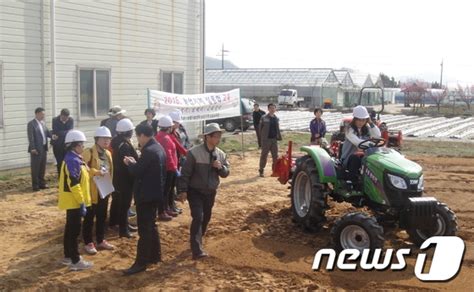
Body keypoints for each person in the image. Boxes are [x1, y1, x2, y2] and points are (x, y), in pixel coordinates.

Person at [177, 123, 230, 260]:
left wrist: (220, 168)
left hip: (210, 192)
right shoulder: (194, 153)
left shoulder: (221, 154)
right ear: (207, 137)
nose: (218, 139)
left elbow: (226, 173)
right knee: (198, 217)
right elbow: (185, 173)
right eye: (216, 136)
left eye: (219, 136)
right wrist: (182, 190)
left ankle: (198, 239)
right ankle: (197, 249)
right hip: (195, 191)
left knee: (206, 217)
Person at [122, 124, 167, 275]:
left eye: (138, 137)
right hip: (155, 194)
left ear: (142, 135)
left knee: (144, 230)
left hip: (145, 196)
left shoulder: (148, 151)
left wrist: (130, 164)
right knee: (152, 226)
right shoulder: (159, 148)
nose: (138, 140)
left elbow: (137, 171)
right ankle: (155, 255)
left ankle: (141, 262)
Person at [58, 130, 93, 271]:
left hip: (73, 201)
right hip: (75, 202)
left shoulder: (74, 158)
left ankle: (68, 256)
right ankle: (75, 260)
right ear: (74, 145)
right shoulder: (72, 161)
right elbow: (74, 184)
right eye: (81, 144)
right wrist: (81, 202)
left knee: (70, 230)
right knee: (74, 231)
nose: (83, 147)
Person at [82, 126, 115, 255]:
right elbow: (83, 170)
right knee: (90, 218)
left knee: (102, 216)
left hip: (104, 190)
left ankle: (101, 239)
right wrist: (96, 172)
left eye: (108, 139)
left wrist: (110, 187)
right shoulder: (88, 152)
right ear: (97, 139)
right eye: (104, 139)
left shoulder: (108, 154)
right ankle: (88, 242)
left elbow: (111, 171)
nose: (106, 141)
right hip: (92, 191)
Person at [340, 105, 381, 189]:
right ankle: (353, 183)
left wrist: (370, 123)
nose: (361, 122)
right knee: (356, 158)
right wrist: (370, 143)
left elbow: (377, 135)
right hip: (348, 158)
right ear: (354, 119)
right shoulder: (349, 130)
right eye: (359, 119)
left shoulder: (366, 128)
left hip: (363, 156)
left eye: (363, 120)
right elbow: (358, 142)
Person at [110, 118, 138, 238]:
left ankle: (116, 223)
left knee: (117, 202)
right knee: (124, 204)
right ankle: (123, 229)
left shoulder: (116, 142)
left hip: (117, 178)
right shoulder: (124, 146)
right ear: (128, 132)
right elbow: (128, 165)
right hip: (124, 179)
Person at [155, 116, 179, 221]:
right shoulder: (165, 138)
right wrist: (174, 168)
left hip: (165, 168)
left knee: (165, 190)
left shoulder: (160, 136)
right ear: (168, 127)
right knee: (165, 190)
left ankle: (165, 209)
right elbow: (168, 155)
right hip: (168, 168)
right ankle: (162, 211)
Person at [27, 107, 52, 191]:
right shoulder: (31, 124)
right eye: (42, 114)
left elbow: (48, 133)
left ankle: (42, 183)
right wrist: (33, 148)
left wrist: (53, 136)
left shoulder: (43, 123)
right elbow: (31, 137)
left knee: (42, 167)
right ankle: (35, 185)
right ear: (37, 114)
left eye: (44, 114)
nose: (43, 116)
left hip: (43, 148)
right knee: (35, 168)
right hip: (36, 149)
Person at [258, 103, 282, 177]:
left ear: (275, 109)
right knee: (264, 155)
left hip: (274, 140)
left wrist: (278, 136)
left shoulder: (276, 118)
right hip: (266, 140)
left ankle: (274, 171)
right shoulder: (264, 118)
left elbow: (277, 129)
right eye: (271, 108)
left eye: (273, 108)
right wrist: (262, 139)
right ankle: (261, 170)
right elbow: (260, 129)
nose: (272, 109)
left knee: (275, 156)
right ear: (268, 109)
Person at [51, 108, 74, 174]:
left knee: (68, 162)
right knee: (60, 163)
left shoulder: (70, 120)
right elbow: (56, 131)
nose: (66, 119)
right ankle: (60, 178)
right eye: (65, 117)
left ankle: (67, 177)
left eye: (67, 117)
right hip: (57, 146)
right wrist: (66, 132)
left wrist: (61, 133)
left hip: (67, 145)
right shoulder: (55, 120)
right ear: (61, 115)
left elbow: (70, 131)